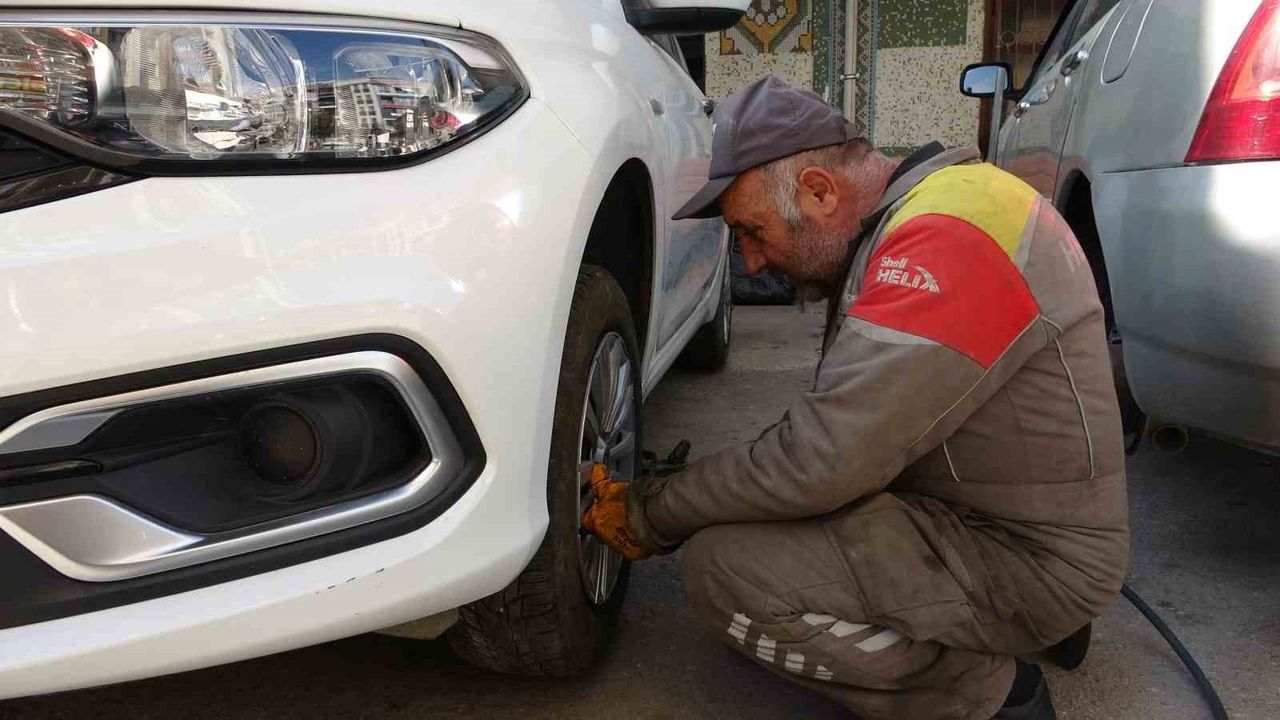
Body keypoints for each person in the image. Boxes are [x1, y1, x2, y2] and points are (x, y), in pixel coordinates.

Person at [581, 75, 1129, 720]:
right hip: (1002, 514)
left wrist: (652, 511)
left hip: (1029, 556)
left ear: (818, 190)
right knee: (755, 504)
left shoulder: (947, 240)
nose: (751, 264)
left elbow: (819, 463)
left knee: (726, 570)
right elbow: (838, 439)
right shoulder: (943, 205)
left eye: (753, 230)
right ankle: (1023, 622)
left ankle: (984, 695)